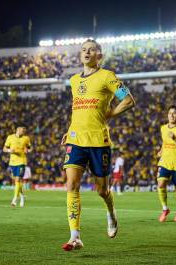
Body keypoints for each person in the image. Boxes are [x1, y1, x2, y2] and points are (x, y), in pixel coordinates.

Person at [61, 39, 135, 251]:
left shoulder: (107, 76)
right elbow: (78, 109)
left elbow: (128, 100)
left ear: (99, 56)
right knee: (71, 185)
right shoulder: (74, 80)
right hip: (76, 140)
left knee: (102, 191)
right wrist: (69, 130)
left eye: (91, 50)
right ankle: (75, 236)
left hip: (98, 141)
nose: (86, 52)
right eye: (83, 50)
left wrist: (110, 113)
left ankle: (111, 213)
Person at [3, 124, 32, 207]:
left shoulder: (26, 138)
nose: (23, 132)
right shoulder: (10, 137)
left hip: (22, 161)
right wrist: (9, 150)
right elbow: (4, 148)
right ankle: (22, 197)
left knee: (18, 179)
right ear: (17, 130)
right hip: (12, 162)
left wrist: (27, 150)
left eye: (24, 131)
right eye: (22, 131)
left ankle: (14, 199)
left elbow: (30, 148)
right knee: (17, 181)